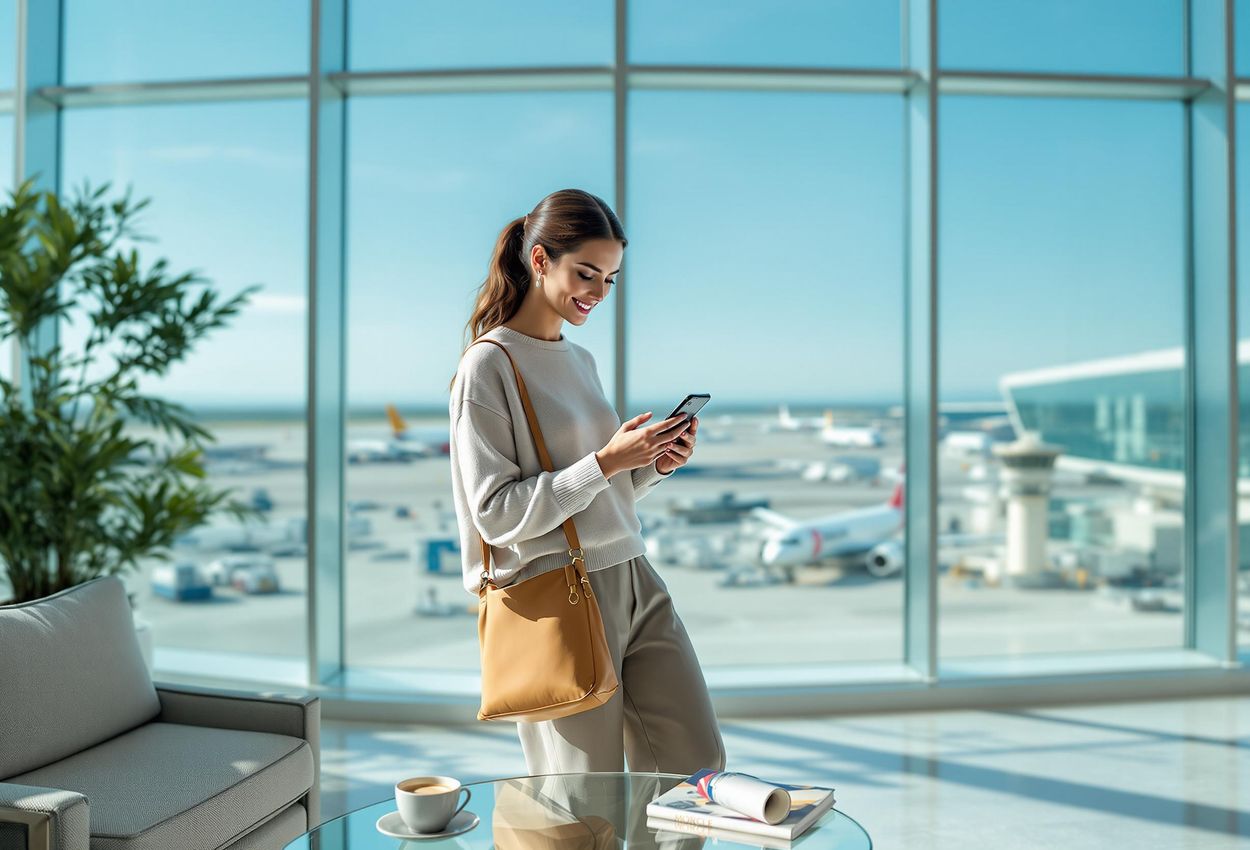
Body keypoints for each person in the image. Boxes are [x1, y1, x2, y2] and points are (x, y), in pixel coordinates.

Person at [447, 188, 726, 776]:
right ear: (541, 259)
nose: (599, 293)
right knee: (584, 797)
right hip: (556, 593)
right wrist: (605, 463)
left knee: (694, 766)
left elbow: (594, 492)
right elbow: (495, 513)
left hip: (632, 574)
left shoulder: (580, 360)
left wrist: (650, 464)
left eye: (612, 279)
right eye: (587, 273)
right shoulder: (489, 365)